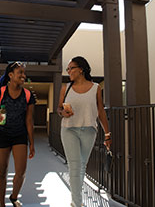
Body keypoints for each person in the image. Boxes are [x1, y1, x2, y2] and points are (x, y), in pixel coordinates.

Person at [57, 56, 112, 207]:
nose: (68, 71)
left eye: (71, 68)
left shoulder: (96, 88)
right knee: (74, 165)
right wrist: (63, 113)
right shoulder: (65, 88)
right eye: (67, 69)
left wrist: (107, 134)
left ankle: (76, 198)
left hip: (89, 130)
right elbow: (59, 109)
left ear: (81, 69)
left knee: (82, 166)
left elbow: (100, 111)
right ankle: (77, 202)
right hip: (69, 130)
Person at [0, 62, 35, 207]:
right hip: (2, 134)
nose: (23, 76)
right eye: (20, 72)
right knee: (2, 170)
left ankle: (14, 197)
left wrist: (32, 143)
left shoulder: (28, 95)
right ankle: (2, 204)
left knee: (21, 171)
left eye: (24, 73)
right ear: (10, 75)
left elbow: (29, 120)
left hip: (20, 135)